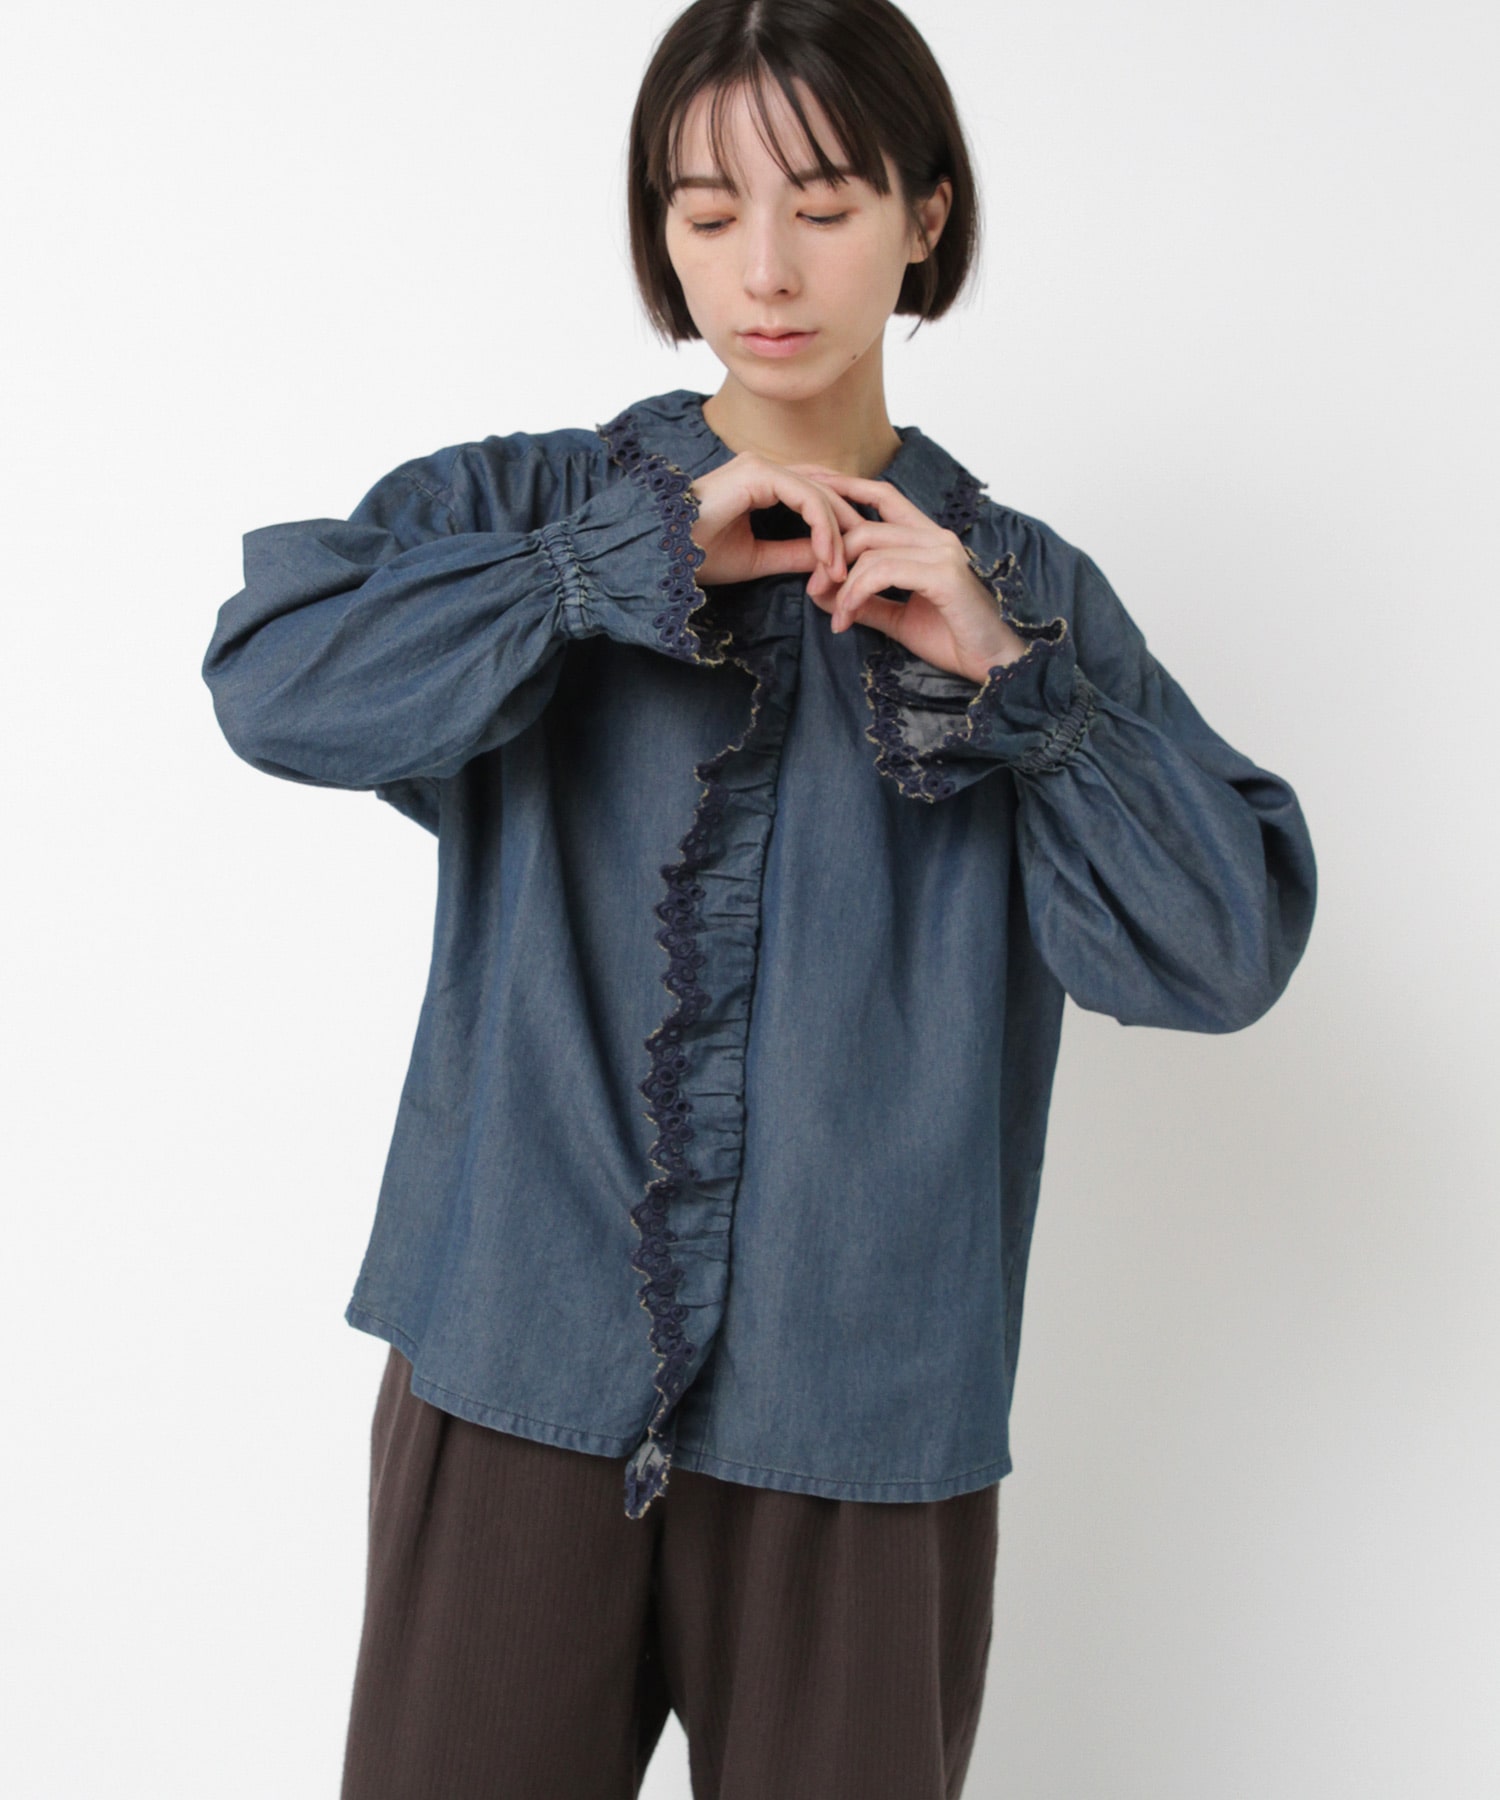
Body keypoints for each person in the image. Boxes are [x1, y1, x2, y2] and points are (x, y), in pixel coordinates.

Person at [200, 1, 1318, 1794]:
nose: (767, 270)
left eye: (826, 203)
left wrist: (1018, 688)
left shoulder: (1020, 589)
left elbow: (1221, 950)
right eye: (708, 212)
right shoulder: (531, 507)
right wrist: (608, 568)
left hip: (862, 1419)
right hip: (518, 1367)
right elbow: (274, 683)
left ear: (926, 214)